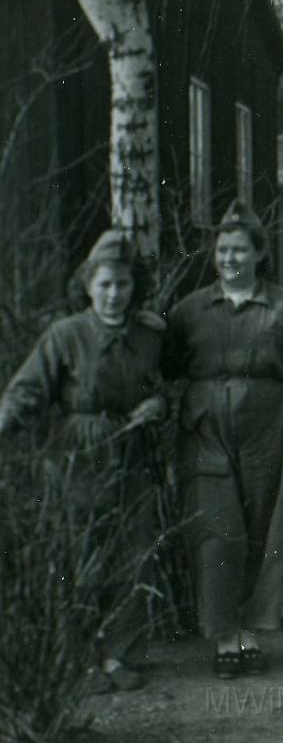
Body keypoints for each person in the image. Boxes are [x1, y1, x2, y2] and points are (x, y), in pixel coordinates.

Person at [0, 230, 169, 692]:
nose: (114, 295)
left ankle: (120, 654)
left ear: (135, 286)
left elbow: (168, 384)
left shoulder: (150, 336)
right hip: (77, 458)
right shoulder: (65, 335)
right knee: (78, 557)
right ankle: (78, 659)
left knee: (134, 555)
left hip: (132, 457)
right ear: (88, 286)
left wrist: (159, 404)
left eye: (123, 285)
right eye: (105, 285)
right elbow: (27, 390)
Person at [165, 200, 283, 679]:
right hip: (205, 435)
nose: (230, 258)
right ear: (213, 256)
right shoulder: (189, 310)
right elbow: (166, 373)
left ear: (258, 253)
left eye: (240, 249)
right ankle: (223, 637)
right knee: (217, 534)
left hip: (267, 433)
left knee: (260, 532)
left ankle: (250, 632)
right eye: (222, 250)